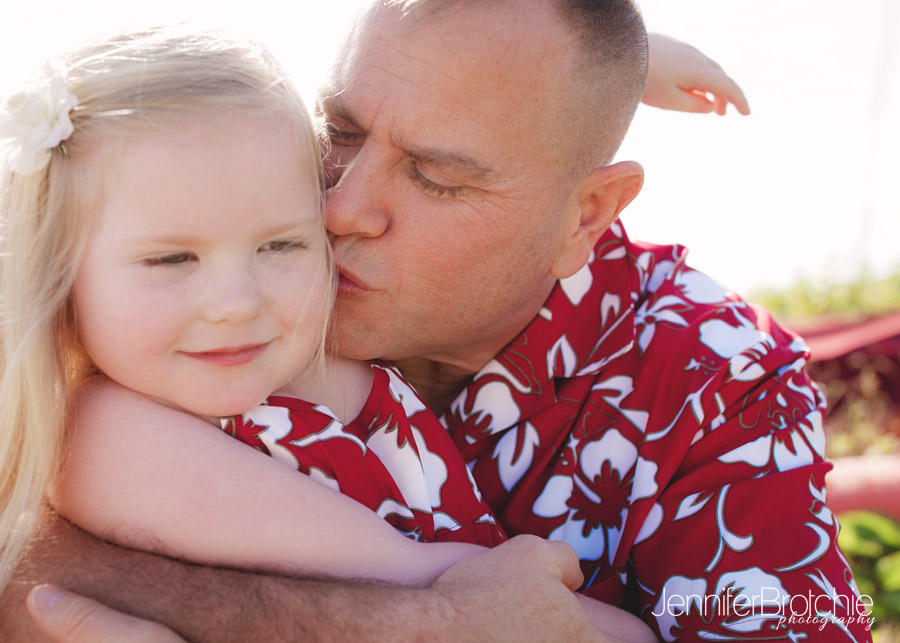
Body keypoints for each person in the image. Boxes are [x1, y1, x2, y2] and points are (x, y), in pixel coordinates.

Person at [3, 1, 869, 641]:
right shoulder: (238, 252)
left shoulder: (711, 380)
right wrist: (429, 622)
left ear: (585, 216)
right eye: (338, 129)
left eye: (437, 176)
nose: (339, 209)